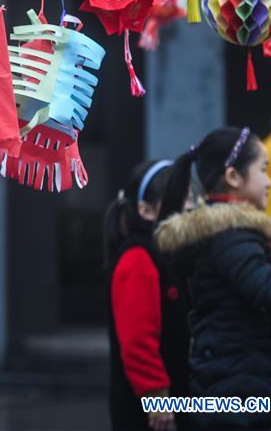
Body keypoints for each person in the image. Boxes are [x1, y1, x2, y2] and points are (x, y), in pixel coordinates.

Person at [155, 126, 271, 430]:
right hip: (241, 398)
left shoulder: (233, 235)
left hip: (239, 388)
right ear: (234, 177)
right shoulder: (231, 236)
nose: (270, 181)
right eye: (263, 169)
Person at [106, 160, 191, 431]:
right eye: (180, 198)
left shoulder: (164, 254)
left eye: (189, 195)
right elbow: (137, 341)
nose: (189, 206)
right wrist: (157, 397)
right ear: (145, 209)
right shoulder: (137, 258)